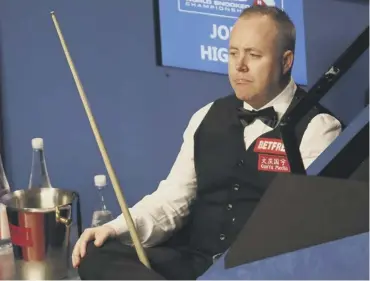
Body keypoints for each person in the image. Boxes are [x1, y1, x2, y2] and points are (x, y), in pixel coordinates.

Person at [73, 5, 343, 280]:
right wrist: (117, 228)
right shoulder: (206, 117)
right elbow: (171, 201)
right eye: (233, 53)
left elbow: (306, 233)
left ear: (286, 61)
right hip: (195, 263)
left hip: (259, 272)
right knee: (96, 253)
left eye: (254, 55)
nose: (240, 66)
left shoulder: (318, 129)